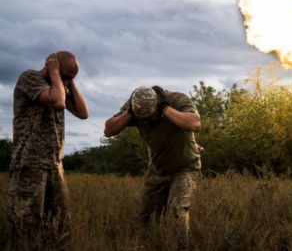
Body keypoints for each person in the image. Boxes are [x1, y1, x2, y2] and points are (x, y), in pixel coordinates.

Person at [4, 51, 89, 247]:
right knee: (26, 225)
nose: (66, 81)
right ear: (53, 68)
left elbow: (83, 113)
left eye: (72, 77)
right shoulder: (30, 78)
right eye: (65, 76)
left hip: (54, 165)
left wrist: (69, 82)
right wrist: (56, 74)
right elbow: (57, 102)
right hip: (30, 164)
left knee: (59, 225)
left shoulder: (59, 86)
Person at [104, 85, 201, 250]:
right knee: (147, 218)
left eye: (150, 116)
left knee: (177, 212)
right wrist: (130, 113)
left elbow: (195, 124)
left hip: (185, 167)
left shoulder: (177, 100)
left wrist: (166, 110)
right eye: (143, 118)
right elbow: (108, 130)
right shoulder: (134, 105)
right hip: (157, 170)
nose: (147, 121)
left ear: (158, 105)